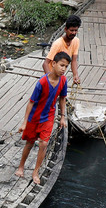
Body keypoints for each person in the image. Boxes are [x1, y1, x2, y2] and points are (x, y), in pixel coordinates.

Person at [15, 51, 69, 186]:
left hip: (48, 116)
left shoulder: (63, 80)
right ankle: (21, 166)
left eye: (66, 67)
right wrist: (24, 123)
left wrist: (62, 117)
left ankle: (36, 171)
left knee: (44, 144)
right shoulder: (42, 82)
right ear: (54, 64)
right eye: (61, 65)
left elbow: (62, 98)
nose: (63, 69)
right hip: (35, 117)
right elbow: (31, 102)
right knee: (30, 142)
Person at [43, 15, 81, 87]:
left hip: (60, 76)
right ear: (66, 29)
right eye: (71, 30)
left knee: (62, 96)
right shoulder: (58, 44)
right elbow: (45, 64)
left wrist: (75, 75)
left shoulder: (76, 41)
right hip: (51, 76)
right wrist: (50, 80)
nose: (73, 33)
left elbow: (74, 61)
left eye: (76, 30)